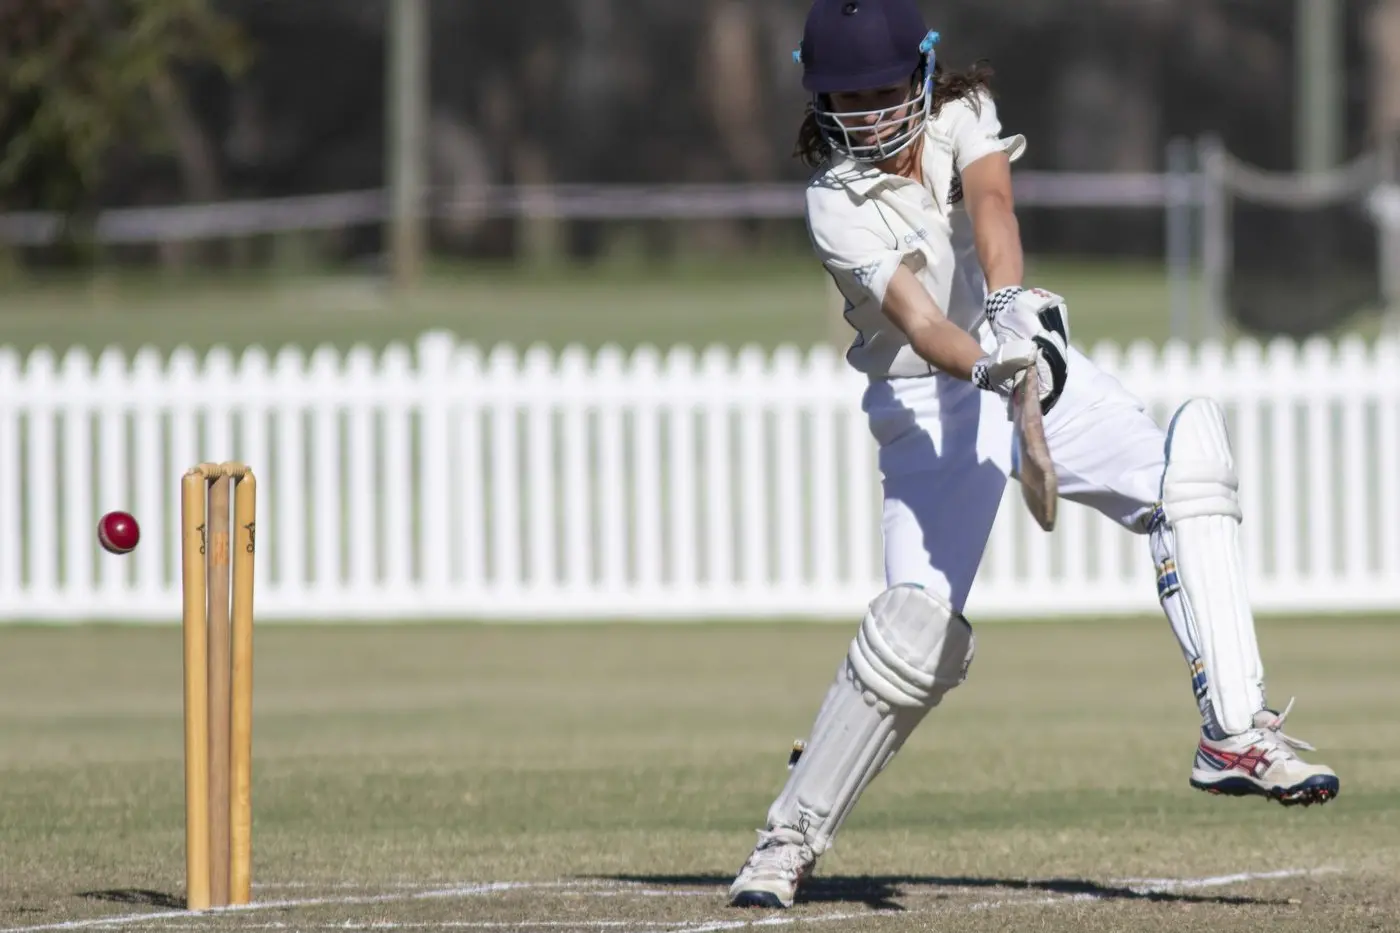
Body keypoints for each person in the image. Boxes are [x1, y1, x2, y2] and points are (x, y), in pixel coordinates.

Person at [726, 0, 1340, 910]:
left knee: (1190, 472)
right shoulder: (832, 203)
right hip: (926, 400)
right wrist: (987, 363)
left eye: (880, 89)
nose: (864, 111)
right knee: (912, 639)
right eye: (842, 95)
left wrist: (1012, 313)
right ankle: (786, 839)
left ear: (923, 73)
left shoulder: (958, 113)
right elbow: (922, 322)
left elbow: (993, 204)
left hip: (1027, 359)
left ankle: (1235, 732)